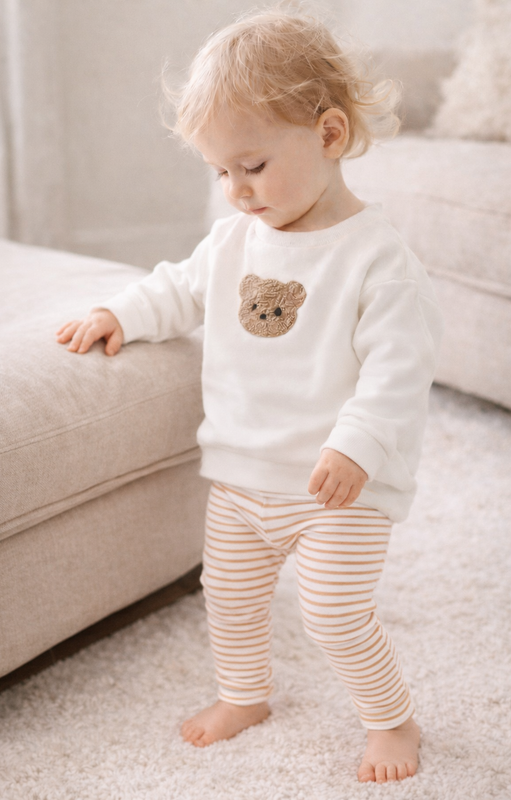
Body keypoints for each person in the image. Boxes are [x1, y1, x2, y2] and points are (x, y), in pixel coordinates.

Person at [56, 7, 443, 784]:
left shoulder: (376, 259)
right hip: (240, 477)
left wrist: (357, 446)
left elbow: (398, 370)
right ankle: (244, 695)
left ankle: (391, 719)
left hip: (337, 485)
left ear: (328, 134)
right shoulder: (234, 239)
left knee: (332, 612)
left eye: (252, 166)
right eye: (219, 172)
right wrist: (120, 315)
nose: (234, 190)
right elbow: (179, 289)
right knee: (229, 596)